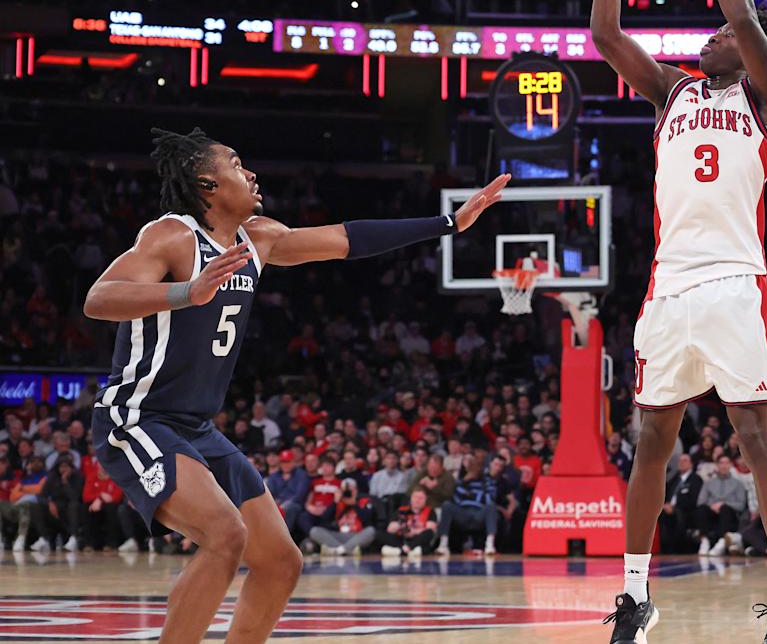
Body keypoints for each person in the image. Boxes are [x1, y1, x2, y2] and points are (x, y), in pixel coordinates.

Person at [82, 127, 508, 643]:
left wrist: (447, 223)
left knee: (281, 560)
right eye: (237, 164)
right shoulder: (171, 236)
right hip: (137, 419)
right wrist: (186, 292)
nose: (251, 173)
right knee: (224, 535)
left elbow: (346, 239)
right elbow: (98, 299)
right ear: (206, 184)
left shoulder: (257, 238)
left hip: (195, 428)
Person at [592, 0, 767, 642]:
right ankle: (634, 597)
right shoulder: (670, 96)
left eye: (720, 37)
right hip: (670, 288)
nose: (709, 36)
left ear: (751, 55)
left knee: (755, 438)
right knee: (650, 441)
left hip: (734, 285)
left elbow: (742, 16)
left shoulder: (766, 99)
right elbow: (605, 37)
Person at [435, 455, 499, 556]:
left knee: (491, 506)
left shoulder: (488, 481)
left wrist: (470, 495)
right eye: (472, 466)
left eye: (477, 466)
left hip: (479, 513)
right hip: (463, 513)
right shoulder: (461, 482)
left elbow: (489, 498)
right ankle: (443, 545)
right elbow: (457, 499)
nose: (474, 469)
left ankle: (490, 545)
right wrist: (465, 482)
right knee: (446, 505)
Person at [695, 455, 749, 556]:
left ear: (730, 465)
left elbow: (741, 505)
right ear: (717, 465)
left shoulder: (738, 484)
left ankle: (722, 541)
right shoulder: (708, 483)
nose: (724, 466)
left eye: (726, 463)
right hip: (711, 511)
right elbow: (700, 501)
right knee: (702, 509)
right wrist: (712, 506)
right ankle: (704, 541)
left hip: (730, 513)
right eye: (721, 463)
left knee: (725, 509)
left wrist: (723, 504)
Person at [308, 478, 375, 556]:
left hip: (356, 536)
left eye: (350, 490)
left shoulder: (363, 501)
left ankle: (338, 550)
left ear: (356, 490)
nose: (347, 493)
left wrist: (354, 504)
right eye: (345, 491)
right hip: (337, 536)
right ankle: (345, 549)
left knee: (371, 531)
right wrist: (335, 502)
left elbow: (367, 520)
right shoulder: (338, 503)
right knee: (314, 530)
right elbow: (324, 519)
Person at [659, 453, 703, 553]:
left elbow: (694, 500)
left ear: (691, 464)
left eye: (685, 461)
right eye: (680, 461)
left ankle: (677, 548)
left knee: (678, 515)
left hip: (686, 511)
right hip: (668, 508)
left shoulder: (696, 480)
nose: (681, 463)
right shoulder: (674, 479)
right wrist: (665, 505)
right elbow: (665, 494)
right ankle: (662, 547)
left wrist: (674, 506)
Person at [379, 488, 439, 558]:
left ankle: (403, 549)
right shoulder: (401, 510)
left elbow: (431, 529)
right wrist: (401, 525)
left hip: (417, 539)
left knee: (428, 533)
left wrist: (414, 531)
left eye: (421, 498)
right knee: (379, 534)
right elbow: (390, 529)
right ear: (411, 498)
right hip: (401, 538)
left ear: (425, 500)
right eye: (415, 497)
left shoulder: (430, 511)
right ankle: (407, 550)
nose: (417, 500)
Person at [266, 449, 310, 539]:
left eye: (288, 462)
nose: (285, 465)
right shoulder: (274, 476)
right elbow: (270, 494)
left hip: (295, 504)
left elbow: (300, 495)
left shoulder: (301, 475)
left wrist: (283, 505)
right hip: (277, 504)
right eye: (283, 462)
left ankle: (283, 538)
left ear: (293, 462)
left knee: (288, 508)